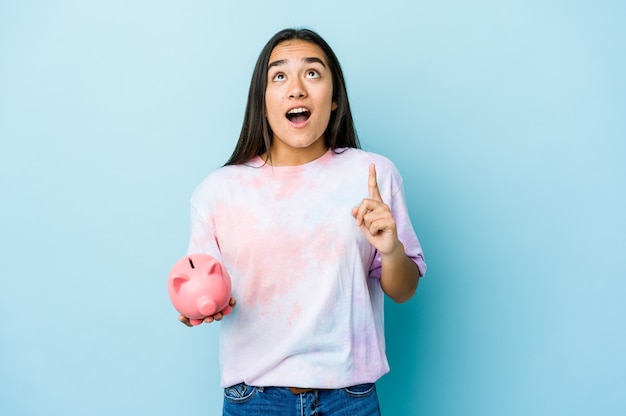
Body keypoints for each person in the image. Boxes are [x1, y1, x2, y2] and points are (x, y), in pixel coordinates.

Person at [179, 27, 427, 416]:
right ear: (262, 102)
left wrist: (391, 249)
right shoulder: (219, 191)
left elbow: (404, 290)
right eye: (279, 76)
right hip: (254, 400)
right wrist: (202, 306)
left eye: (312, 73)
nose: (296, 88)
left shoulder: (373, 175)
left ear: (334, 99)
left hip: (350, 398)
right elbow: (201, 284)